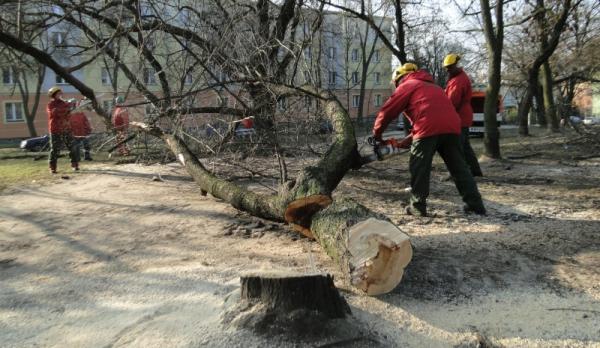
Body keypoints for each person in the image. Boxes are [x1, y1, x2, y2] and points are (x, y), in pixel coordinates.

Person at [371, 63, 486, 217]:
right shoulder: (436, 87)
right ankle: (475, 205)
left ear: (399, 78)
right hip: (452, 128)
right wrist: (407, 140)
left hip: (428, 128)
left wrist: (376, 135)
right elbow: (433, 117)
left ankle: (417, 206)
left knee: (419, 167)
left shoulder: (407, 85)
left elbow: (387, 112)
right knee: (460, 168)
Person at [443, 53, 483, 177]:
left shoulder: (458, 80)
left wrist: (444, 114)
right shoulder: (457, 78)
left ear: (456, 65)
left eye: (450, 67)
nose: (448, 70)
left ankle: (456, 173)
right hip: (463, 117)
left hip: (459, 118)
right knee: (465, 147)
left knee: (455, 148)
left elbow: (452, 101)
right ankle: (475, 171)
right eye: (446, 68)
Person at [46, 87, 79, 173]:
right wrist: (66, 109)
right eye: (58, 94)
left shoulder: (65, 103)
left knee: (72, 147)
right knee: (55, 149)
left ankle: (75, 165)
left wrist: (72, 105)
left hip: (66, 128)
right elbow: (54, 113)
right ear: (53, 95)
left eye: (61, 93)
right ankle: (52, 167)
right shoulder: (51, 104)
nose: (60, 95)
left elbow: (69, 113)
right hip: (55, 130)